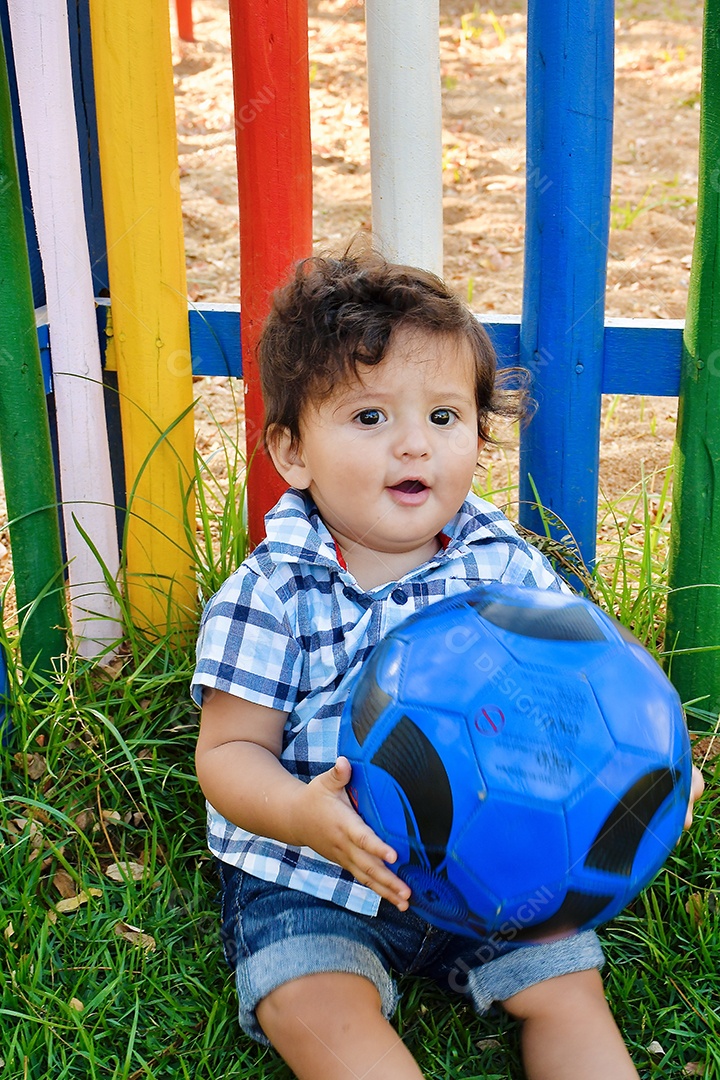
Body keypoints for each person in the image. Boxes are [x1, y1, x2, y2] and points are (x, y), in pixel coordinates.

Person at [193, 249, 703, 1080]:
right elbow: (227, 753)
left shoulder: (501, 567)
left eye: (442, 417)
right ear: (291, 453)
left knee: (567, 991)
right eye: (369, 418)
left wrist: (653, 775)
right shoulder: (273, 591)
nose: (412, 447)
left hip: (507, 864)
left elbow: (604, 680)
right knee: (310, 1001)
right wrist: (301, 814)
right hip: (317, 875)